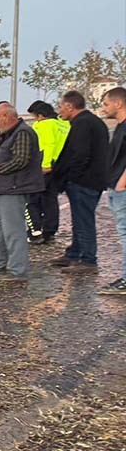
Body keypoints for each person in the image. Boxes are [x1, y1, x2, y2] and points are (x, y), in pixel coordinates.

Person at [0, 104, 42, 279]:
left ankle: (17, 270)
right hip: (4, 188)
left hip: (15, 188)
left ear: (6, 116)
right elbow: (9, 144)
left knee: (13, 230)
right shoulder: (12, 133)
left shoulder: (22, 133)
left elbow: (20, 160)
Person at [50, 90, 111, 275]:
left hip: (85, 181)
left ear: (70, 106)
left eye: (61, 106)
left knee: (84, 220)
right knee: (79, 219)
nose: (59, 111)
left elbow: (80, 154)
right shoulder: (89, 121)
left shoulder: (83, 123)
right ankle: (74, 253)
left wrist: (72, 177)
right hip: (90, 180)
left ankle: (88, 260)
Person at [25, 100, 69, 244]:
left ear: (41, 115)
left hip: (45, 165)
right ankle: (49, 232)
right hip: (59, 166)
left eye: (35, 117)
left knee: (32, 200)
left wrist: (45, 165)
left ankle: (35, 231)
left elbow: (47, 144)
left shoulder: (44, 125)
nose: (34, 120)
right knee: (50, 199)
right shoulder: (63, 124)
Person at [98, 87, 126, 296]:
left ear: (118, 103)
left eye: (106, 104)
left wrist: (121, 183)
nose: (103, 108)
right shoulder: (120, 126)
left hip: (122, 188)